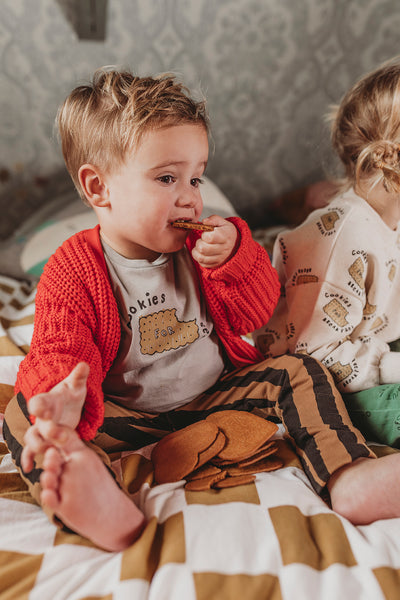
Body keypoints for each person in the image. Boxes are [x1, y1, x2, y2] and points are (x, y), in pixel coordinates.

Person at [4, 68, 400, 554]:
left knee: (298, 371)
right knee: (25, 414)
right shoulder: (74, 268)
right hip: (126, 415)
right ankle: (96, 499)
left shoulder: (209, 245)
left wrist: (235, 258)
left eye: (197, 175)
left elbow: (255, 315)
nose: (191, 195)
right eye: (167, 178)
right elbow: (60, 349)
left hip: (216, 395)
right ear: (98, 188)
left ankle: (349, 475)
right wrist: (64, 405)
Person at [253, 58, 400, 449]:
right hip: (324, 377)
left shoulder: (390, 221)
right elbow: (313, 353)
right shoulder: (347, 236)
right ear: (388, 157)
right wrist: (390, 367)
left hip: (369, 349)